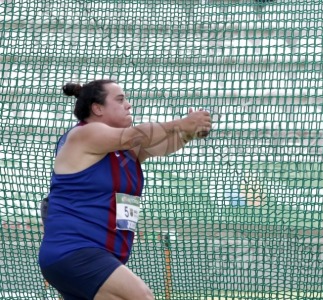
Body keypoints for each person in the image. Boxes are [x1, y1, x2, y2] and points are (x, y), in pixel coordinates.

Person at [38, 79, 211, 300]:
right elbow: (135, 135)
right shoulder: (85, 134)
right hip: (75, 251)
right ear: (97, 108)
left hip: (95, 255)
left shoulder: (124, 150)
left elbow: (162, 145)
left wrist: (188, 133)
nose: (128, 105)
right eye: (120, 100)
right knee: (142, 297)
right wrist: (182, 123)